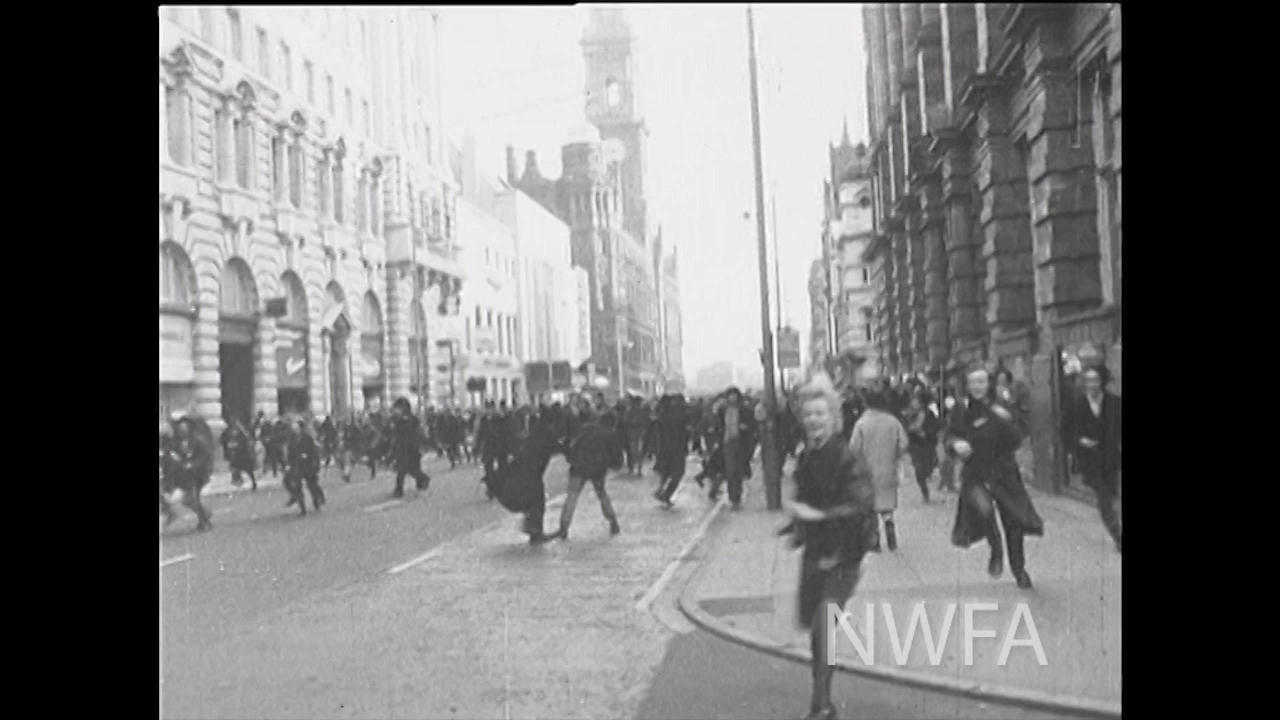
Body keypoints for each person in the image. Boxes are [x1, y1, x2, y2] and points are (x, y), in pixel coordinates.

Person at [779, 373, 876, 720]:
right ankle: (822, 699)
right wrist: (795, 525)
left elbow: (860, 506)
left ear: (833, 417)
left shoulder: (847, 457)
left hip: (845, 555)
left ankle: (821, 705)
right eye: (808, 415)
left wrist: (815, 515)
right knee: (815, 630)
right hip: (817, 553)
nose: (813, 420)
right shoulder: (806, 458)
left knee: (823, 623)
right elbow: (804, 501)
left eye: (820, 414)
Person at [946, 364, 1043, 589]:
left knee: (1014, 522)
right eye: (973, 382)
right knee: (984, 511)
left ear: (988, 383)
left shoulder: (1002, 406)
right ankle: (996, 549)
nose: (977, 387)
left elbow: (1017, 438)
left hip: (1003, 472)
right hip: (975, 473)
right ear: (967, 385)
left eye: (981, 381)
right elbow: (950, 435)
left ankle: (1019, 569)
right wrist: (955, 444)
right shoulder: (961, 409)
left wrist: (1005, 419)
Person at [1066, 365, 1122, 553]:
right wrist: (1080, 440)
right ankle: (1117, 534)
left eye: (1095, 380)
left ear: (1102, 382)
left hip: (1112, 458)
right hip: (1090, 461)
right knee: (1104, 497)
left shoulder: (1115, 403)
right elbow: (1066, 431)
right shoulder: (1077, 404)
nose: (1091, 385)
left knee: (1112, 494)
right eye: (1088, 380)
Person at [849, 383, 910, 551]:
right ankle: (889, 526)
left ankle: (875, 541)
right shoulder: (892, 421)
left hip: (866, 471)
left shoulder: (862, 423)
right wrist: (895, 454)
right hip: (888, 468)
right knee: (886, 503)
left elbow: (854, 448)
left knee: (870, 506)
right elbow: (904, 443)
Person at [552, 412, 622, 540]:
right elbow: (615, 455)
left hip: (578, 467)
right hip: (597, 469)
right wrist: (614, 464)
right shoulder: (609, 434)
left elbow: (572, 447)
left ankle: (564, 527)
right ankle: (613, 521)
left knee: (571, 497)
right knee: (602, 495)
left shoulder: (585, 430)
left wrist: (572, 460)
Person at [709, 387, 756, 510]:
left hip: (740, 442)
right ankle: (732, 497)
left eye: (734, 395)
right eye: (730, 395)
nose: (732, 398)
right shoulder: (722, 410)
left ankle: (737, 496)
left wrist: (745, 429)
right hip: (726, 442)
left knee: (738, 471)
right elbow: (717, 424)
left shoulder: (744, 410)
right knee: (730, 471)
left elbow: (751, 426)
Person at [387, 397, 431, 498]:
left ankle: (422, 480)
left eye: (400, 407)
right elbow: (394, 434)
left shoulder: (412, 420)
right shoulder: (396, 420)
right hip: (400, 448)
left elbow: (418, 434)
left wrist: (423, 445)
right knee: (402, 469)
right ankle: (399, 489)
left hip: (412, 448)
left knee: (412, 469)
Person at [654, 393, 691, 508]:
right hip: (676, 448)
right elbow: (686, 432)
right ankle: (665, 494)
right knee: (677, 473)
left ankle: (662, 492)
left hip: (666, 449)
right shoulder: (681, 415)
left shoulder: (663, 415)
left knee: (667, 472)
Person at [903, 391, 940, 503]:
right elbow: (905, 428)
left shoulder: (930, 415)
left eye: (916, 401)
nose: (914, 403)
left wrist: (926, 434)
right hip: (915, 445)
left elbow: (936, 428)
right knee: (919, 470)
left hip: (927, 445)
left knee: (928, 466)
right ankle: (924, 491)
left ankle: (928, 472)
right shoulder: (910, 415)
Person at [284, 420, 325, 515]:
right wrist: (288, 464)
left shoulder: (307, 438)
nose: (295, 430)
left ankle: (317, 502)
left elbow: (313, 452)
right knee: (292, 483)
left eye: (297, 428)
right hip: (296, 466)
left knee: (312, 485)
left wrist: (311, 461)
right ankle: (301, 506)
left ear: (301, 428)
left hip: (308, 465)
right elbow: (290, 452)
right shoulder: (292, 439)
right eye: (294, 428)